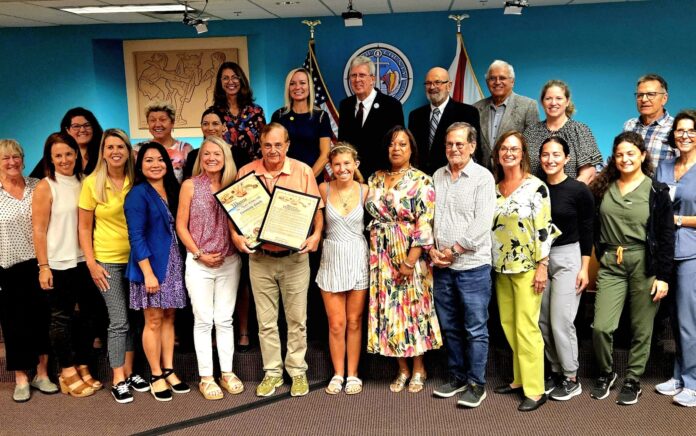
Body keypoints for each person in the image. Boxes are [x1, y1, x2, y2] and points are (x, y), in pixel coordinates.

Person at [232, 123, 323, 398]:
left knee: (297, 320)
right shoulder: (246, 172)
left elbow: (317, 209)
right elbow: (234, 215)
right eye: (267, 145)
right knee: (266, 322)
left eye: (278, 145)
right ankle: (272, 372)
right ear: (260, 145)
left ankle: (297, 371)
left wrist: (317, 234)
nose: (273, 150)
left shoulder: (303, 171)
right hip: (260, 259)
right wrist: (236, 238)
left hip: (294, 259)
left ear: (287, 145)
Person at [589, 131, 674, 406]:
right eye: (620, 154)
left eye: (631, 153)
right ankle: (605, 373)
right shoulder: (602, 188)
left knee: (642, 327)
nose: (625, 159)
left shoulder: (657, 191)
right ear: (614, 157)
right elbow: (593, 227)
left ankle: (633, 378)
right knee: (602, 326)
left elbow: (665, 236)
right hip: (612, 262)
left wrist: (663, 276)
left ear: (643, 155)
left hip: (644, 263)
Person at [365, 126, 442, 394]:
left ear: (411, 149)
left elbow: (424, 224)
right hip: (381, 255)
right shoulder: (374, 178)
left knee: (413, 309)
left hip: (411, 253)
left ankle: (419, 368)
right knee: (389, 310)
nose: (396, 148)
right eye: (392, 144)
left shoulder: (423, 180)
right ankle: (402, 368)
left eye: (402, 144)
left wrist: (410, 261)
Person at [78, 128, 150, 404]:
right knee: (118, 320)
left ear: (128, 150)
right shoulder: (92, 183)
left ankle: (130, 372)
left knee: (133, 319)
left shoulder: (137, 180)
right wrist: (91, 263)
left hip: (137, 259)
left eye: (120, 146)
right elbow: (84, 228)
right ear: (103, 152)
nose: (115, 151)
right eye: (110, 147)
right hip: (107, 261)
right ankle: (118, 378)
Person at [490, 131, 560, 412]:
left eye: (514, 149)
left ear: (523, 154)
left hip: (528, 268)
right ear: (497, 154)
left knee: (528, 327)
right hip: (500, 267)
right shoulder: (495, 187)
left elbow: (544, 230)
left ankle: (536, 389)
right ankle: (519, 379)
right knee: (509, 325)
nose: (509, 153)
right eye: (504, 148)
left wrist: (543, 266)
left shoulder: (536, 187)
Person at [429, 122, 495, 408]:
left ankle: (476, 383)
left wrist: (453, 251)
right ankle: (456, 377)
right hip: (442, 267)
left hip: (473, 267)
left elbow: (483, 223)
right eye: (449, 144)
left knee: (475, 329)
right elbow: (430, 217)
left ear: (472, 146)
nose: (454, 149)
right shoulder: (437, 176)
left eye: (459, 144)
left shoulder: (483, 178)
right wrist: (431, 249)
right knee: (450, 326)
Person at [31, 132, 101, 398]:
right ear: (50, 158)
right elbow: (38, 230)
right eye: (57, 155)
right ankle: (67, 371)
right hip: (58, 263)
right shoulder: (45, 186)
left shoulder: (86, 182)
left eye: (68, 154)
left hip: (85, 260)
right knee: (61, 318)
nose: (64, 160)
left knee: (89, 315)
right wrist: (43, 266)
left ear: (77, 155)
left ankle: (83, 365)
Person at [177, 136, 244, 400]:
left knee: (225, 320)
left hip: (229, 261)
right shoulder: (190, 186)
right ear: (200, 158)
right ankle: (206, 377)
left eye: (217, 154)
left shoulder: (235, 185)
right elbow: (181, 225)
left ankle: (227, 373)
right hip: (199, 262)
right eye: (207, 154)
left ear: (225, 156)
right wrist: (199, 253)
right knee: (204, 320)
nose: (212, 158)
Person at [125, 142, 189, 402]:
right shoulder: (138, 194)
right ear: (140, 166)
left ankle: (169, 369)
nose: (155, 164)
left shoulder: (173, 189)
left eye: (160, 159)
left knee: (169, 318)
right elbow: (136, 237)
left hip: (173, 262)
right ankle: (155, 374)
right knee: (152, 320)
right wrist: (148, 273)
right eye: (148, 160)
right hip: (149, 266)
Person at [0, 139, 58, 403]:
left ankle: (42, 374)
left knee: (42, 320)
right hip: (7, 267)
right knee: (14, 324)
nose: (12, 162)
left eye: (16, 157)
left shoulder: (38, 186)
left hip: (40, 264)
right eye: (5, 158)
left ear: (23, 159)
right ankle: (21, 377)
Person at [537, 136, 594, 401]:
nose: (551, 159)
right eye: (546, 154)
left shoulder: (578, 190)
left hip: (568, 257)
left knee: (562, 320)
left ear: (567, 159)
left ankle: (572, 377)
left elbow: (587, 228)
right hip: (540, 259)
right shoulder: (536, 188)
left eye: (557, 154)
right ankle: (557, 371)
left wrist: (584, 268)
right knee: (544, 321)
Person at [316, 143, 369, 395]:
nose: (342, 168)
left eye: (347, 163)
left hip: (358, 257)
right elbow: (317, 227)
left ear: (355, 164)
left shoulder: (366, 191)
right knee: (336, 323)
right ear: (331, 167)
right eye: (337, 164)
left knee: (354, 321)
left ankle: (353, 374)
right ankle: (338, 374)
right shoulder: (323, 189)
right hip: (332, 257)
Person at [654, 110, 696, 407]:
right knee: (677, 319)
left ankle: (693, 383)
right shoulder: (664, 166)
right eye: (680, 131)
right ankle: (680, 376)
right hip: (666, 253)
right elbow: (656, 208)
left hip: (692, 251)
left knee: (688, 320)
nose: (684, 135)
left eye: (691, 130)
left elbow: (672, 216)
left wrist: (677, 219)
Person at [523, 80, 602, 183]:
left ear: (567, 101)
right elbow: (521, 169)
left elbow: (588, 173)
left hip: (572, 196)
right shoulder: (530, 133)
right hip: (534, 196)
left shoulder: (580, 130)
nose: (553, 103)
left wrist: (568, 194)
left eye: (559, 98)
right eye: (548, 99)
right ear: (542, 102)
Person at [338, 56, 404, 180]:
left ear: (372, 79)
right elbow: (343, 144)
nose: (357, 79)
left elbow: (397, 146)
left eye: (362, 75)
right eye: (353, 75)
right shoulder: (345, 105)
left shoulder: (391, 106)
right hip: (352, 178)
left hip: (381, 177)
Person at [408, 67, 481, 175]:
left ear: (449, 86)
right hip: (420, 179)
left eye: (437, 82)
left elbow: (475, 151)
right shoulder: (415, 116)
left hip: (453, 176)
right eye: (428, 83)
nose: (432, 87)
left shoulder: (467, 113)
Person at [473, 60, 539, 169]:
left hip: (515, 175)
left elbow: (532, 147)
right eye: (492, 78)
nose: (497, 82)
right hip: (483, 176)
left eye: (502, 78)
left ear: (512, 82)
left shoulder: (528, 106)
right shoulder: (475, 108)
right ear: (487, 82)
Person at [271, 67, 332, 179]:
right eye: (292, 83)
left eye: (302, 83)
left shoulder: (321, 116)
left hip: (313, 178)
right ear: (288, 88)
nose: (297, 87)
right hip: (284, 178)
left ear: (309, 87)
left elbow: (325, 154)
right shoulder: (279, 116)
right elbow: (273, 150)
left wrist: (307, 178)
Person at [214, 61, 266, 169]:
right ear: (220, 82)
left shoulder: (256, 111)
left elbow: (263, 143)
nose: (230, 81)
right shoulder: (214, 113)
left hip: (252, 170)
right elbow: (209, 145)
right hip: (223, 171)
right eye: (225, 78)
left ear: (241, 80)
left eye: (235, 77)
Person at [30, 107, 105, 178]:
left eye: (87, 125)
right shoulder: (56, 153)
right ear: (67, 130)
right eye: (76, 126)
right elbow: (34, 180)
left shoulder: (104, 152)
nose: (82, 130)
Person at [135, 102, 193, 183]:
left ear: (172, 123)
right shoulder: (138, 149)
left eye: (163, 120)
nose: (157, 124)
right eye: (152, 120)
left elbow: (191, 179)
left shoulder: (185, 148)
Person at [623, 74, 675, 165]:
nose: (644, 99)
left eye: (651, 94)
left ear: (664, 98)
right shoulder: (629, 125)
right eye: (640, 95)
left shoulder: (676, 128)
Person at [182, 106, 228, 180]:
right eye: (205, 124)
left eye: (215, 124)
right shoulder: (193, 155)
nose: (210, 128)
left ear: (224, 126)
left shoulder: (239, 154)